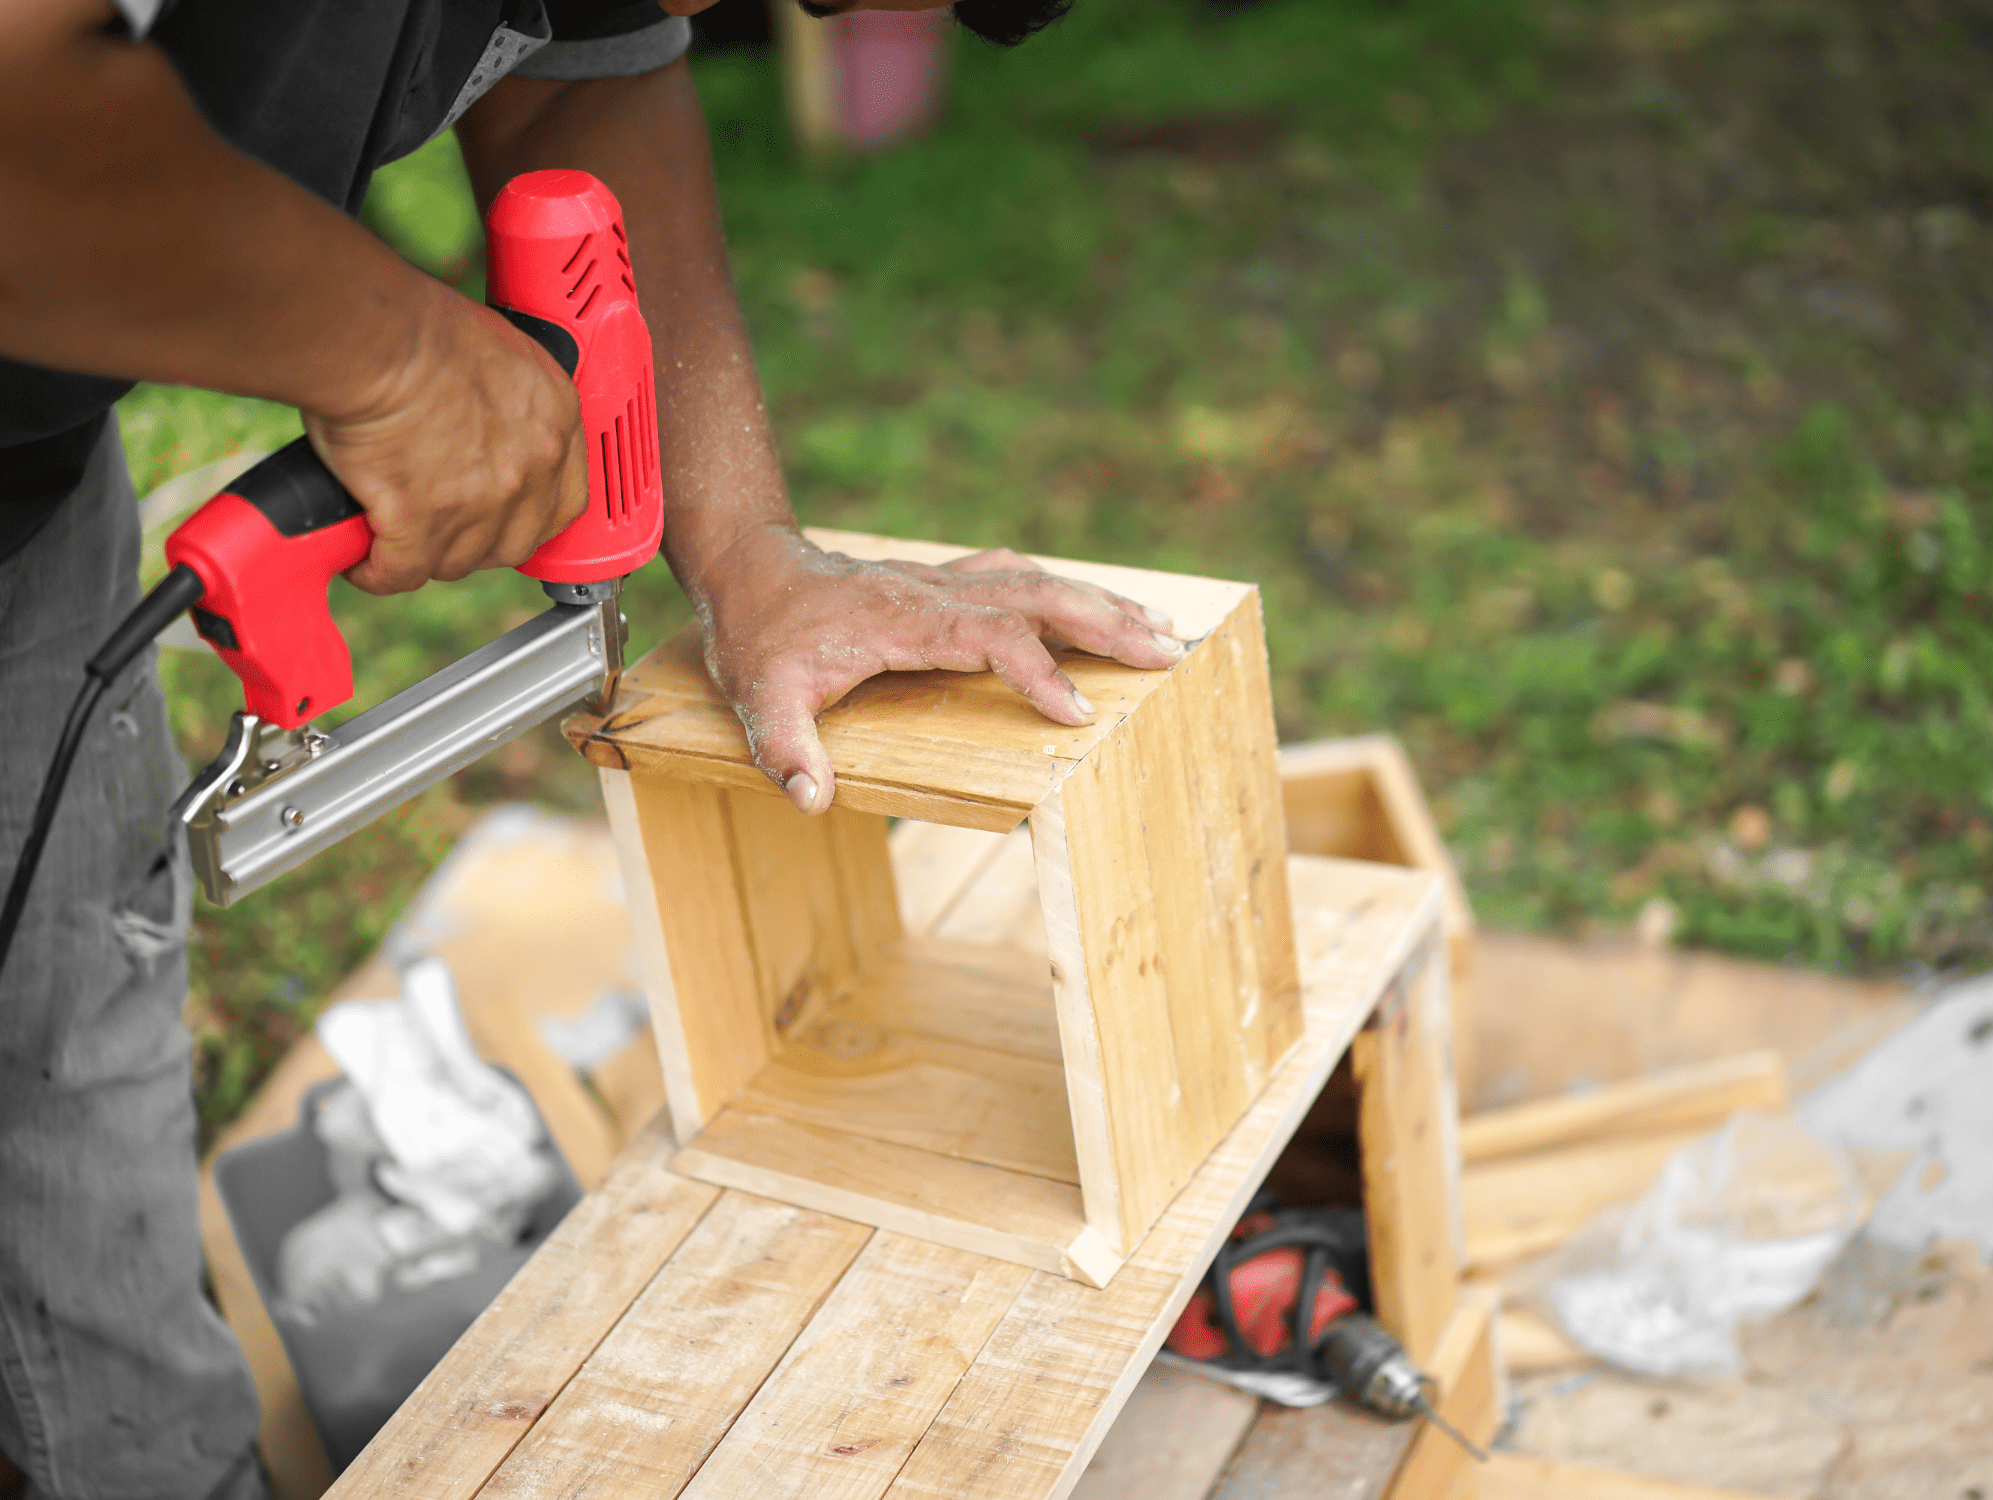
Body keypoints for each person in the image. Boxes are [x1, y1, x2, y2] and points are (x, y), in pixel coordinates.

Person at [0, 0, 1180, 1494]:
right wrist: (393, 356)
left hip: (19, 472)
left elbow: (578, 82)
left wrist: (749, 552)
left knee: (63, 1047)